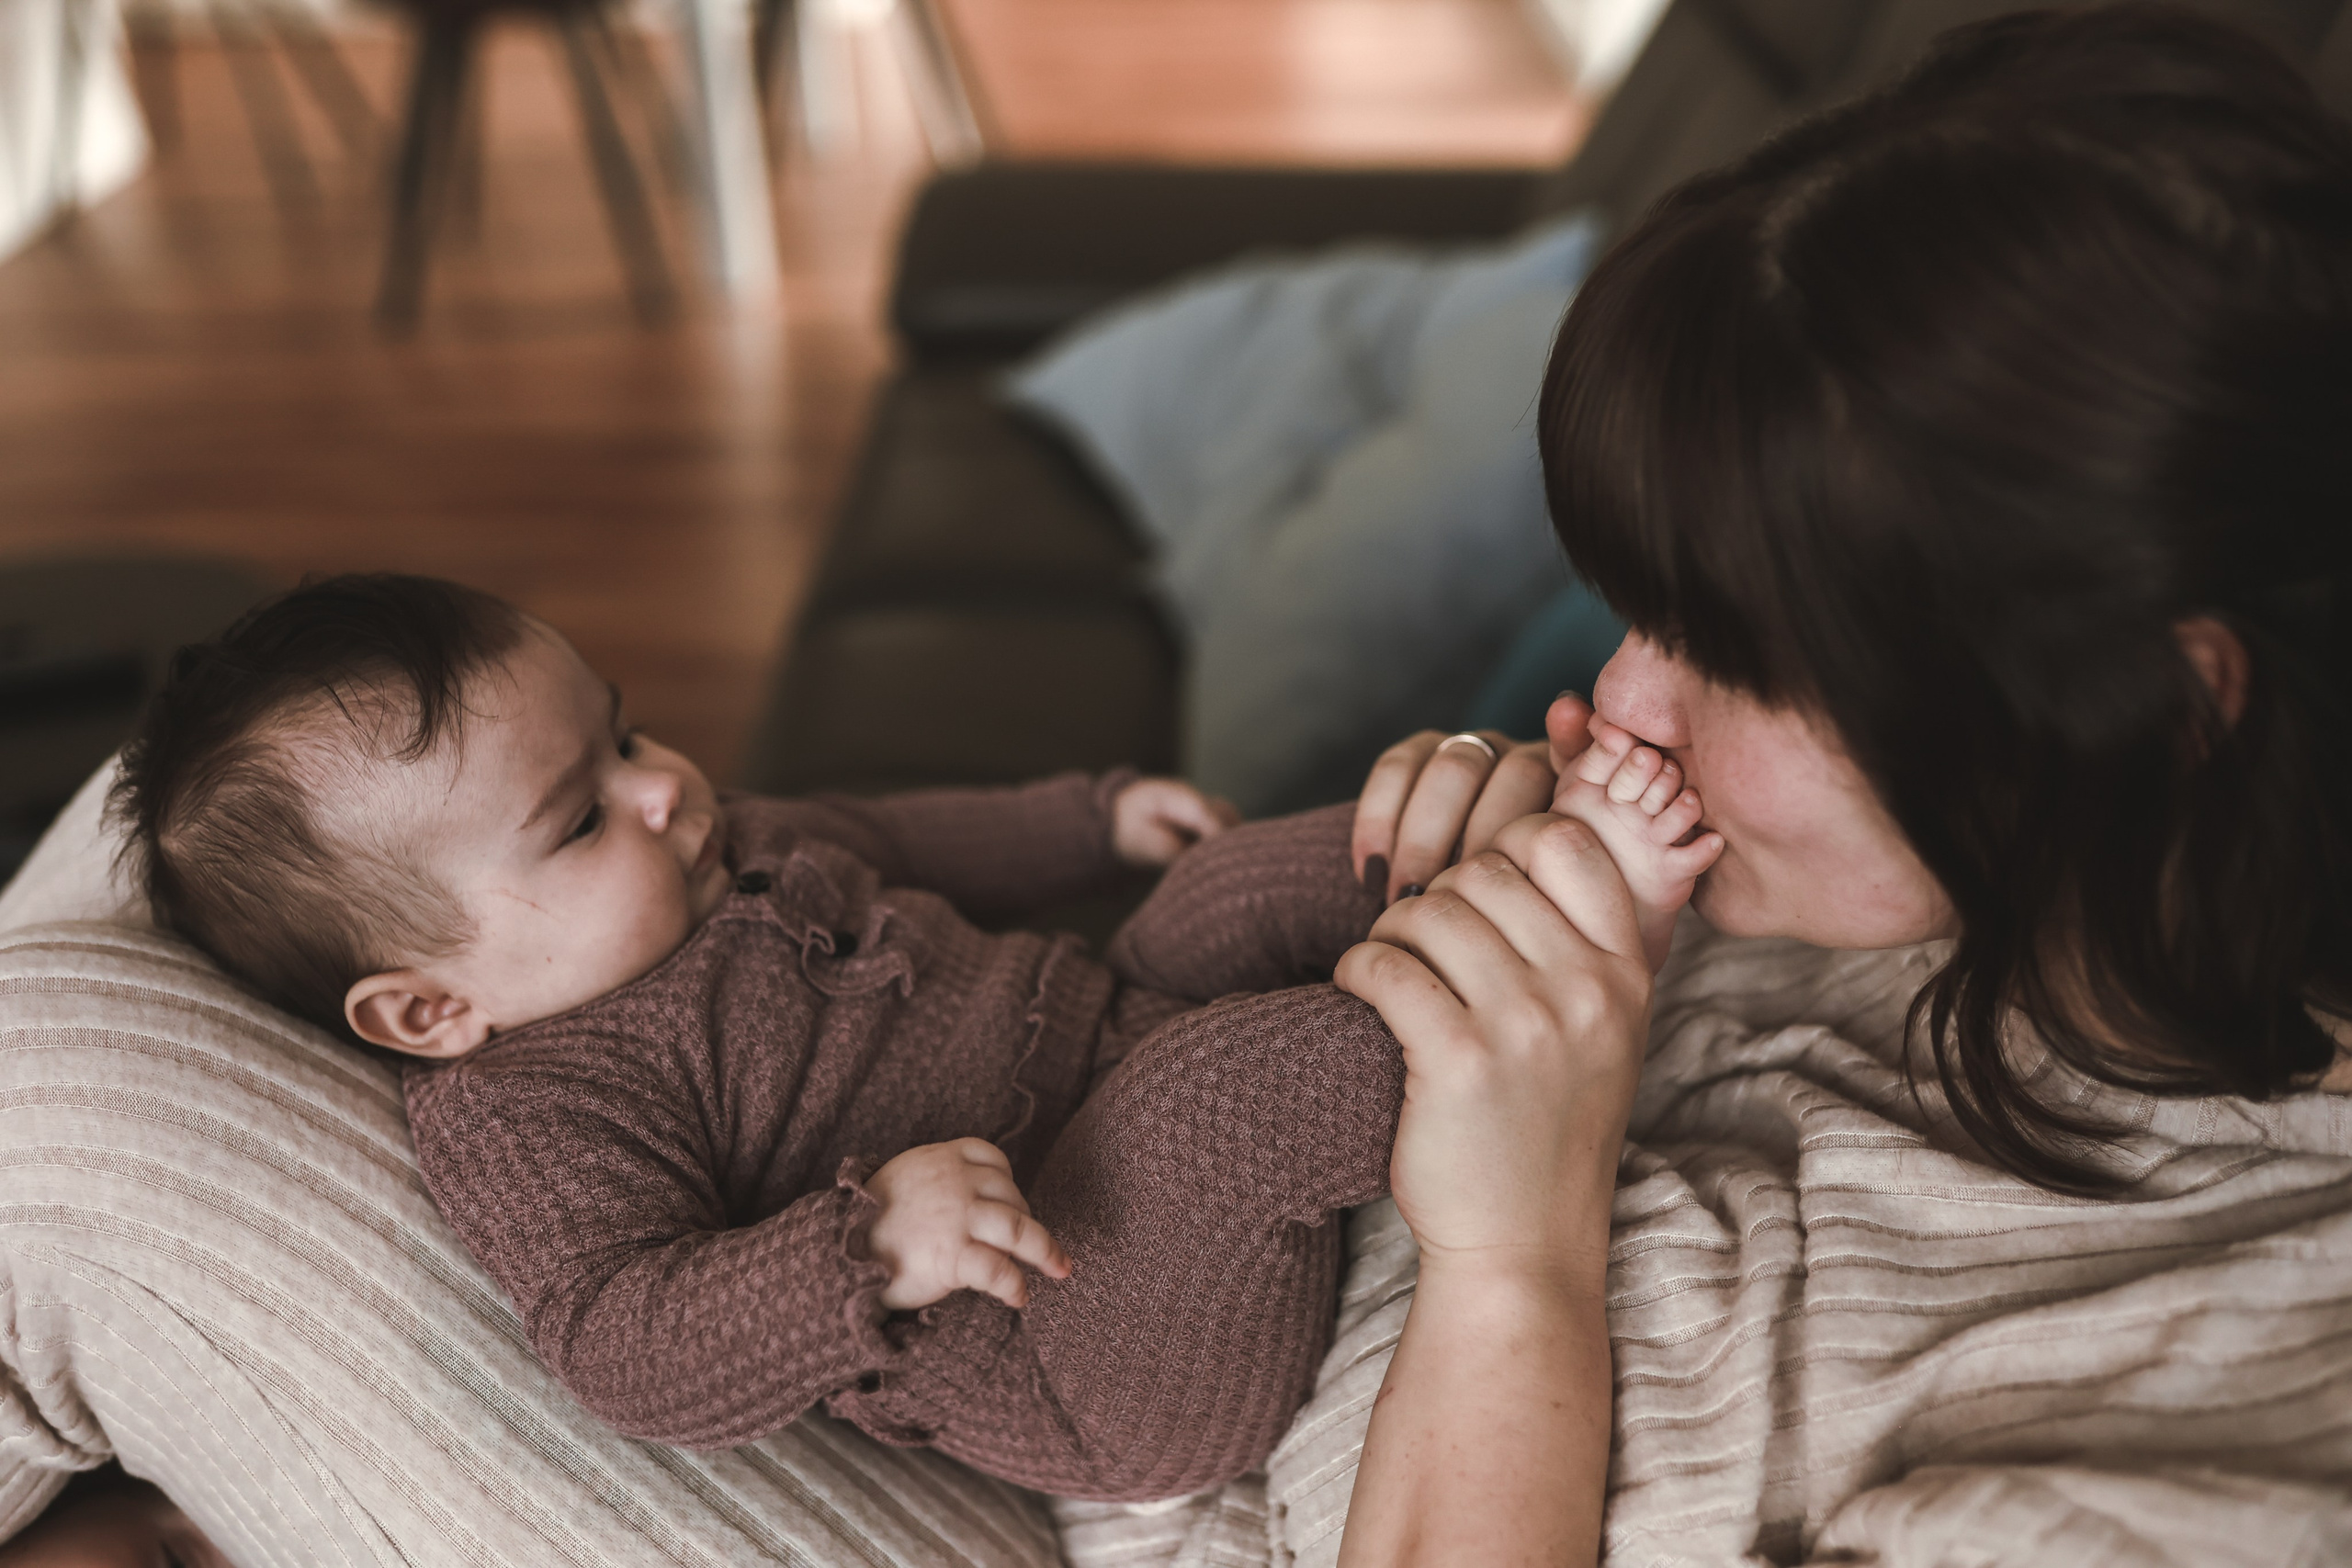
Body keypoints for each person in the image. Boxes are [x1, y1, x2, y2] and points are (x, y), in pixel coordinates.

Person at [1326, 6, 2352, 1562]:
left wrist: (1514, 1268)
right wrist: (1450, 892)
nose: (1616, 702)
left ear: (2148, 707)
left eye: (1735, 649)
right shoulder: (1932, 890)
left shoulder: (2222, 1410)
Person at [108, 572, 1708, 1506]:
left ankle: (1551, 855)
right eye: (579, 813)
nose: (665, 784)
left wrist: (1096, 818)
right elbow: (622, 1341)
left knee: (1236, 888)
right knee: (1222, 1103)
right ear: (432, 1008)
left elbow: (911, 828)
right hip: (1088, 1342)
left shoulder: (705, 850)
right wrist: (864, 1251)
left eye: (627, 728)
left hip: (1108, 1024)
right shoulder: (535, 1109)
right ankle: (1551, 987)